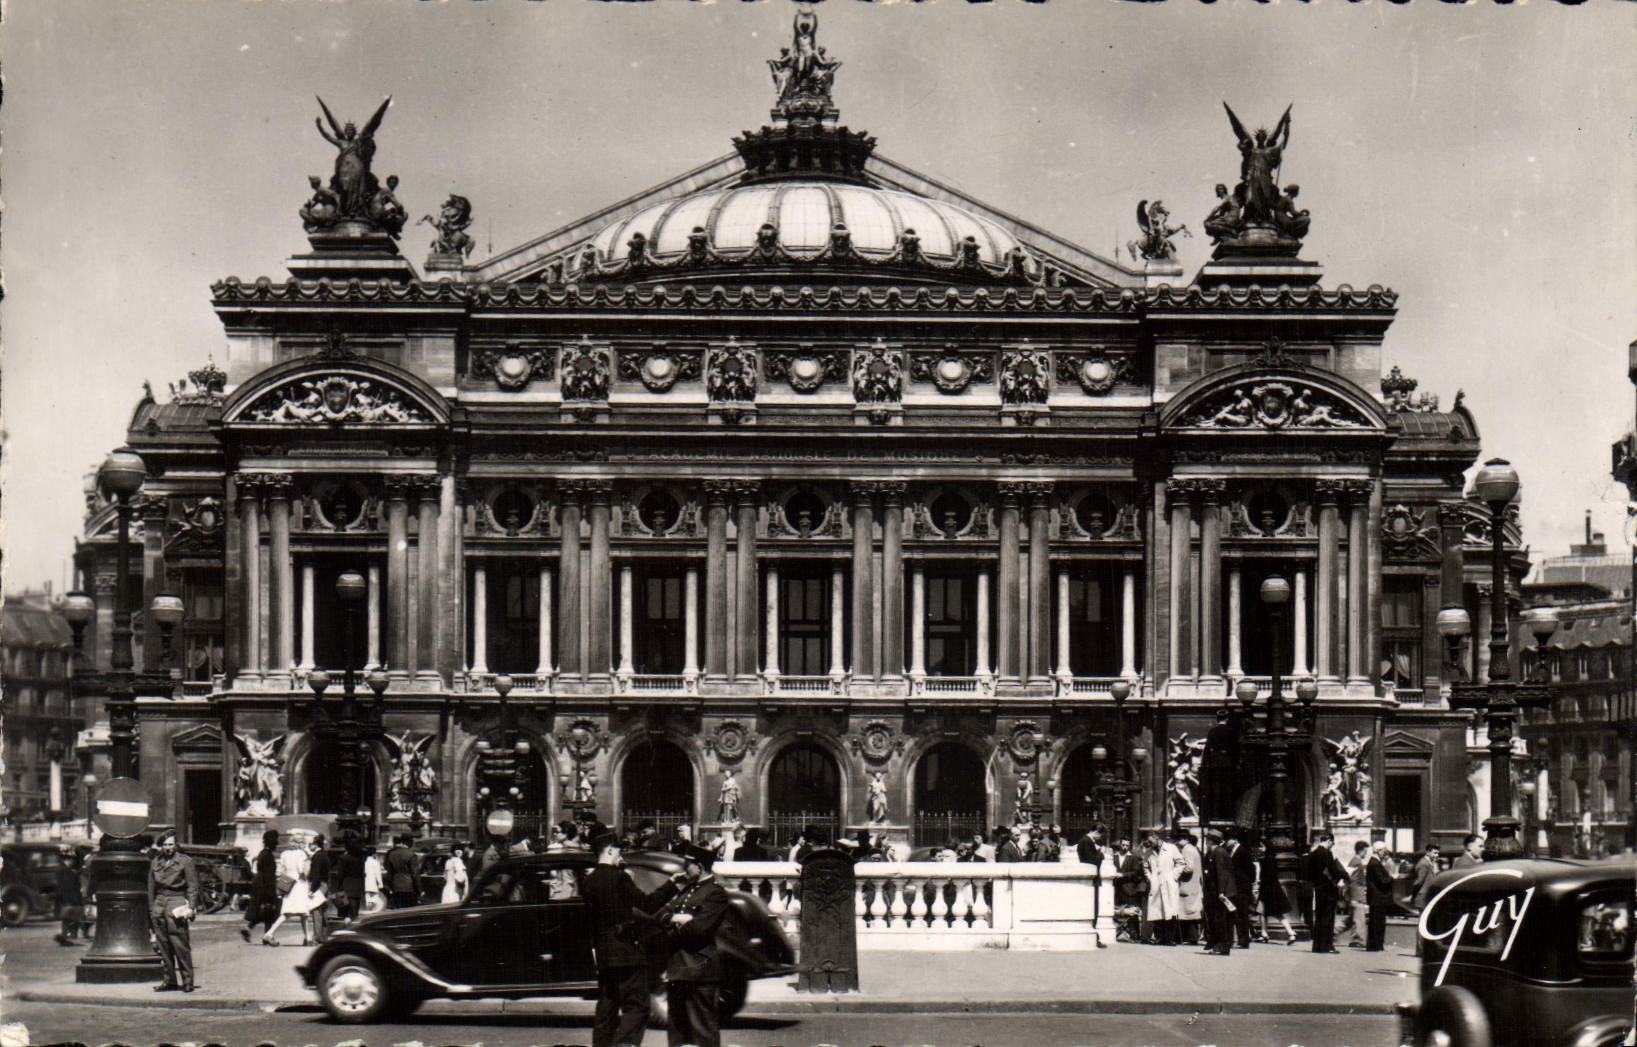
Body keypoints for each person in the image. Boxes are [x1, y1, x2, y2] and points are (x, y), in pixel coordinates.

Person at [584, 832, 676, 1047]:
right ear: (609, 850)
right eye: (618, 851)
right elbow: (648, 904)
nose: (621, 855)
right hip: (627, 950)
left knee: (607, 1006)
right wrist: (671, 884)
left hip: (604, 952)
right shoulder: (620, 878)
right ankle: (624, 1044)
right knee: (638, 1006)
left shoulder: (588, 881)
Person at [646, 844, 730, 1047]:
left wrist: (674, 925)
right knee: (677, 1028)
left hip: (699, 968)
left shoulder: (716, 893)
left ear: (699, 867)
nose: (684, 869)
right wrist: (678, 918)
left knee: (703, 1028)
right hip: (678, 967)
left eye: (687, 864)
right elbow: (659, 915)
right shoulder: (686, 890)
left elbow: (698, 929)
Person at [147, 830, 200, 992]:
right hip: (159, 903)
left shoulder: (185, 862)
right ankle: (169, 980)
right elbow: (151, 888)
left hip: (176, 901)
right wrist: (152, 909)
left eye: (170, 844)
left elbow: (192, 887)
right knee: (163, 945)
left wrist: (191, 907)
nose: (168, 848)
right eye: (165, 845)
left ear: (176, 845)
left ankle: (188, 981)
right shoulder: (155, 862)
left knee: (180, 944)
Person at [1301, 832, 1347, 954]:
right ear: (1329, 841)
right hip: (1328, 889)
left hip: (1318, 888)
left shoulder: (1314, 853)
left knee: (1320, 918)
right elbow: (1333, 870)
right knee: (1328, 918)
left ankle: (1318, 946)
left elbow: (1308, 872)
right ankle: (1328, 945)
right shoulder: (1327, 853)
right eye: (1332, 843)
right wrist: (1342, 876)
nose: (1332, 845)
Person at [1143, 833, 1183, 945]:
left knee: (1170, 911)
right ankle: (1160, 937)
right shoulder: (1148, 852)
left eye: (1151, 841)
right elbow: (1145, 867)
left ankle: (1169, 938)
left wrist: (1174, 876)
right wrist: (1151, 878)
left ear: (1158, 839)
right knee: (1157, 911)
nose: (1149, 844)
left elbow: (1181, 863)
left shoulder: (1171, 848)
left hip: (1168, 883)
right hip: (1156, 884)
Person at [241, 830, 280, 943]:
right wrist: (271, 892)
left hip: (259, 885)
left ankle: (249, 928)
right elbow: (269, 875)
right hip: (266, 886)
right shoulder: (268, 855)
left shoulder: (262, 853)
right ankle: (267, 936)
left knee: (263, 911)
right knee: (270, 911)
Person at [1255, 841, 1297, 945]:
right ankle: (1265, 933)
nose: (1260, 848)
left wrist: (1260, 881)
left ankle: (1290, 932)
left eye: (1261, 846)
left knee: (1268, 912)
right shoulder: (1271, 858)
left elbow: (1266, 876)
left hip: (1267, 889)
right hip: (1273, 889)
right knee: (1267, 912)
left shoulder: (1267, 859)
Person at [1201, 827, 1232, 955]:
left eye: (1207, 840)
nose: (1206, 842)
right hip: (1213, 892)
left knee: (1219, 920)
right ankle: (1216, 944)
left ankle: (1222, 946)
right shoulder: (1213, 852)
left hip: (1217, 892)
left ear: (1210, 841)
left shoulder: (1218, 852)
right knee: (1215, 919)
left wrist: (1221, 891)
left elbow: (1221, 873)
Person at [1224, 829, 1256, 949]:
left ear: (1234, 840)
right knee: (1235, 914)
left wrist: (1248, 882)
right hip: (1234, 887)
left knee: (1242, 914)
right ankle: (1235, 939)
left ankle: (1243, 941)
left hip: (1242, 887)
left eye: (1228, 840)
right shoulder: (1229, 851)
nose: (1226, 842)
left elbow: (1251, 869)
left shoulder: (1243, 851)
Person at [1113, 839, 1147, 944]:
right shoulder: (1114, 857)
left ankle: (1134, 935)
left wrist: (1123, 875)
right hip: (1116, 888)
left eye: (1127, 845)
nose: (1125, 847)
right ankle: (1117, 933)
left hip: (1129, 889)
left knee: (1132, 912)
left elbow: (1136, 872)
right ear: (1119, 845)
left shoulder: (1133, 858)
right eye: (1123, 845)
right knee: (1117, 910)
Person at [54, 846, 88, 946]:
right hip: (70, 899)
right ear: (67, 859)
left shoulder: (63, 870)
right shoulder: (66, 871)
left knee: (67, 918)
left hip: (65, 899)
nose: (72, 861)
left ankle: (66, 936)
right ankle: (68, 937)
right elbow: (68, 887)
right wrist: (74, 899)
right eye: (71, 859)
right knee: (70, 917)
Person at [1365, 840, 1395, 952]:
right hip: (1378, 897)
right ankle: (1376, 945)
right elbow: (1382, 880)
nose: (1385, 853)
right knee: (1378, 922)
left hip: (1375, 897)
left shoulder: (1373, 862)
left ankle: (1374, 945)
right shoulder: (1375, 863)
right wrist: (1392, 877)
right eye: (1384, 851)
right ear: (1379, 851)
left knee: (1375, 921)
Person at [1177, 831, 1204, 945]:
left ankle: (1190, 937)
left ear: (1185, 839)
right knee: (1191, 912)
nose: (1178, 842)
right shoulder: (1193, 849)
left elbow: (1189, 868)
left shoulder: (1186, 850)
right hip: (1194, 884)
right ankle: (1192, 937)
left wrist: (1177, 868)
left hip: (1187, 884)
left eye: (1179, 840)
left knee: (1187, 912)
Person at [1344, 840, 1370, 948]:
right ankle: (1357, 940)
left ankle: (1332, 932)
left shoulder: (1354, 861)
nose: (1366, 853)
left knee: (1351, 919)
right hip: (1357, 895)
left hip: (1355, 894)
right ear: (1360, 851)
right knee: (1359, 919)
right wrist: (1354, 898)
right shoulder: (1357, 863)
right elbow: (1353, 881)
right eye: (1365, 851)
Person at [336, 832, 366, 924]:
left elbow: (340, 874)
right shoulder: (360, 859)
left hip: (346, 888)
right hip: (357, 889)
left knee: (346, 914)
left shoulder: (344, 858)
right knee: (354, 913)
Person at [384, 834, 419, 908]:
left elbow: (389, 872)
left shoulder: (392, 854)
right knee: (409, 909)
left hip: (396, 886)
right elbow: (415, 874)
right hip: (409, 887)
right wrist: (419, 889)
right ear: (410, 842)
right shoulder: (411, 855)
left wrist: (390, 886)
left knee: (398, 909)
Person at [363, 846, 387, 914]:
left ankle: (368, 908)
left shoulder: (364, 862)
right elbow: (378, 874)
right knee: (374, 898)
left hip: (364, 883)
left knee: (367, 898)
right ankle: (372, 909)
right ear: (374, 854)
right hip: (373, 883)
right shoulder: (375, 862)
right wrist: (380, 884)